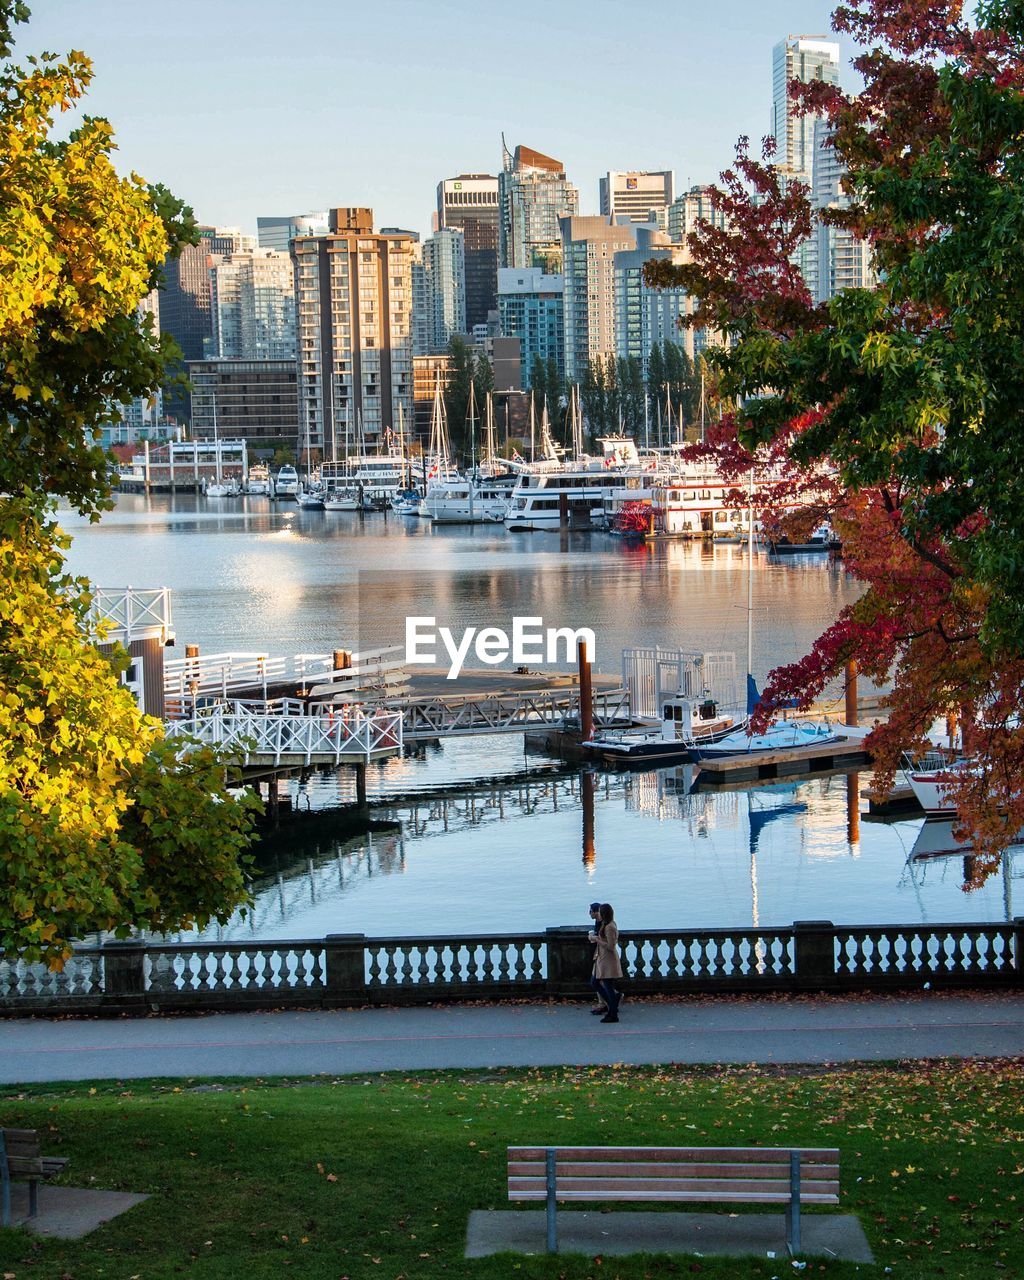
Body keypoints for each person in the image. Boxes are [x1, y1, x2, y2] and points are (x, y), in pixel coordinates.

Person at [589, 902, 623, 1024]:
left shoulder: (610, 927)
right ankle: (612, 1004)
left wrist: (598, 939)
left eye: (600, 913)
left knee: (607, 985)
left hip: (608, 960)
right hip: (601, 958)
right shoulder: (605, 924)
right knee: (595, 982)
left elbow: (611, 946)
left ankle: (612, 1012)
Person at [586, 902, 605, 1014]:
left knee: (598, 980)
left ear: (596, 912)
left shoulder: (603, 923)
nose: (589, 914)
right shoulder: (598, 922)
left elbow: (606, 941)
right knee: (599, 980)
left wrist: (593, 938)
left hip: (602, 955)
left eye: (590, 912)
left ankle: (606, 1002)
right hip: (598, 954)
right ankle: (603, 1002)